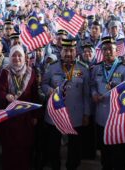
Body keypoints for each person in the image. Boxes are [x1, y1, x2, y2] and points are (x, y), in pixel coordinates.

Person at [41, 39, 90, 170]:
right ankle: (55, 166)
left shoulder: (83, 69)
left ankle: (71, 166)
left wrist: (86, 114)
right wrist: (48, 90)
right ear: (61, 51)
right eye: (65, 50)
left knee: (74, 147)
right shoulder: (52, 67)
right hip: (55, 114)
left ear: (76, 52)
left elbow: (86, 94)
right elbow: (43, 84)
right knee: (53, 145)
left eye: (71, 50)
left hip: (75, 114)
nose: (68, 53)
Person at [90, 36, 125, 170]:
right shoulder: (97, 68)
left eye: (111, 49)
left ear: (117, 51)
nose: (107, 52)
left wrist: (116, 96)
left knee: (118, 153)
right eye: (104, 49)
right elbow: (92, 85)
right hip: (102, 117)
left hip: (118, 118)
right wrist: (94, 94)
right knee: (105, 150)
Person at [0, 45, 39, 170]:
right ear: (10, 57)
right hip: (10, 116)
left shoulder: (31, 72)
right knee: (10, 144)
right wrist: (7, 96)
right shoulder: (5, 72)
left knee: (25, 144)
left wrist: (35, 116)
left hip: (26, 116)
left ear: (24, 57)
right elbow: (0, 91)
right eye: (14, 55)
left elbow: (35, 94)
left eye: (19, 55)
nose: (17, 58)